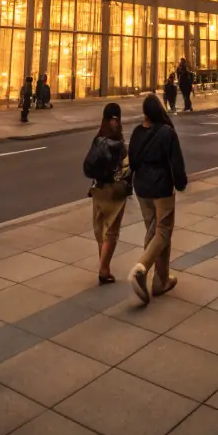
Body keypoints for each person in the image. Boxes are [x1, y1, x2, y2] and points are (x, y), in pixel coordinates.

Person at [127, 93, 188, 303]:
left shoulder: (136, 132)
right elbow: (176, 163)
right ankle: (141, 269)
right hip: (161, 188)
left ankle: (161, 281)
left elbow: (132, 161)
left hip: (142, 188)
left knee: (153, 230)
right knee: (162, 231)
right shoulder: (166, 132)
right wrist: (180, 184)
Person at [86, 102, 130, 283]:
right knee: (112, 232)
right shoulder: (117, 140)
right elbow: (125, 161)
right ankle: (103, 270)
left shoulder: (98, 137)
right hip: (113, 190)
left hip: (97, 188)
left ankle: (105, 266)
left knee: (100, 230)